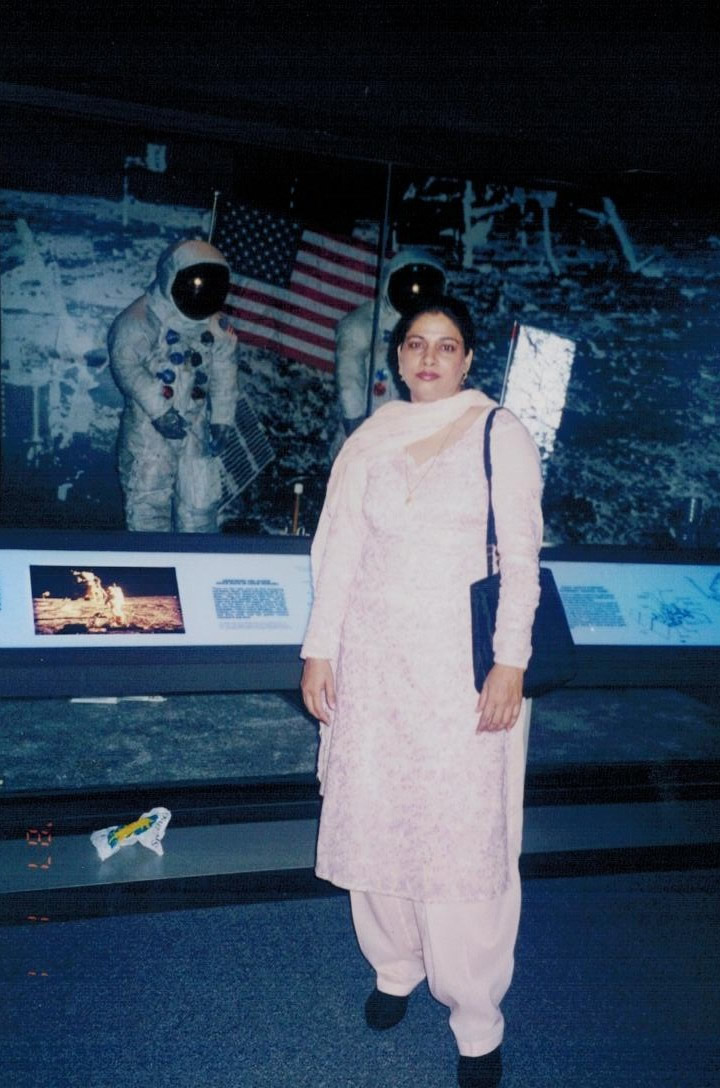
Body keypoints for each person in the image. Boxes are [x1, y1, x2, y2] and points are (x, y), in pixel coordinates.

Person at [301, 296, 542, 1088]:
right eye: (415, 343)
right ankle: (395, 965)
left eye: (446, 345)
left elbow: (521, 560)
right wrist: (320, 651)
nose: (429, 357)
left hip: (460, 675)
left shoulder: (498, 433)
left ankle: (476, 1018)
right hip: (372, 666)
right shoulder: (372, 437)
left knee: (462, 841)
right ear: (398, 357)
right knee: (374, 816)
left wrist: (510, 663)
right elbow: (338, 553)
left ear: (468, 359)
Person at [108, 239, 239, 532]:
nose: (203, 293)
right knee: (148, 506)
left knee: (200, 505)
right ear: (172, 278)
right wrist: (159, 410)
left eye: (212, 287)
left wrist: (222, 419)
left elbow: (225, 374)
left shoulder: (216, 328)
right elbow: (126, 367)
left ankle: (199, 560)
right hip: (149, 430)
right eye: (197, 284)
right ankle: (151, 561)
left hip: (195, 426)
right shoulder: (139, 321)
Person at [334, 247, 446, 440]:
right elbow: (349, 379)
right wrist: (356, 430)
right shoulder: (364, 323)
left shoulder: (438, 330)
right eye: (408, 285)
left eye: (424, 287)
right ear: (390, 283)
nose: (415, 294)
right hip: (368, 428)